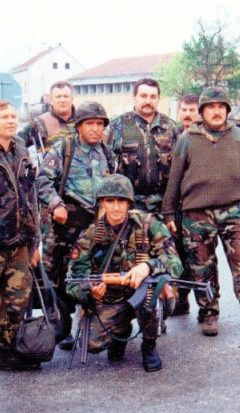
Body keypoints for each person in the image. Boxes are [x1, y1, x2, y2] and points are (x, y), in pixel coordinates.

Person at [162, 86, 240, 340]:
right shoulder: (186, 140)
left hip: (234, 212)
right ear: (202, 112)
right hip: (196, 215)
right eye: (211, 107)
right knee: (201, 268)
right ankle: (209, 313)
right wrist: (168, 213)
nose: (216, 111)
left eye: (221, 107)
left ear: (227, 110)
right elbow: (174, 179)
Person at [67, 174, 183, 371]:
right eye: (110, 201)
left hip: (145, 293)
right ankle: (121, 330)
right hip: (111, 299)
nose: (115, 207)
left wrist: (148, 266)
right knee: (91, 343)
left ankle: (149, 344)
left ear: (129, 203)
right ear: (102, 203)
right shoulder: (91, 235)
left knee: (150, 294)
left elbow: (175, 263)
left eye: (121, 201)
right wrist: (90, 292)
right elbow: (74, 281)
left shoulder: (148, 224)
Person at [37, 101, 115, 350]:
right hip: (65, 224)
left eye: (100, 124)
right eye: (90, 123)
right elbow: (42, 181)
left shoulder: (106, 151)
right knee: (58, 276)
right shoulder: (64, 148)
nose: (96, 128)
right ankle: (63, 326)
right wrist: (56, 204)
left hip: (94, 225)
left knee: (92, 271)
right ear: (79, 126)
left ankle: (90, 324)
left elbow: (114, 183)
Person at [0, 100, 40, 370]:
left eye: (14, 116)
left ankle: (8, 349)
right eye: (5, 117)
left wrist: (36, 240)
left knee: (17, 299)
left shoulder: (22, 150)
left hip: (20, 241)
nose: (11, 121)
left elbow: (32, 196)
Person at [105, 78, 178, 213]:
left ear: (158, 99)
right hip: (128, 204)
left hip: (163, 204)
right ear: (134, 98)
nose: (148, 101)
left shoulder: (170, 127)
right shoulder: (117, 125)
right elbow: (106, 164)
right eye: (143, 96)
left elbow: (179, 166)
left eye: (153, 97)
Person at [171, 94, 200, 316]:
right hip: (175, 203)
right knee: (176, 251)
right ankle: (181, 298)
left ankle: (206, 305)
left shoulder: (203, 136)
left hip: (196, 204)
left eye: (192, 110)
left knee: (197, 255)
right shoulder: (170, 134)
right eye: (184, 110)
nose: (188, 114)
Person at [19, 80, 76, 162]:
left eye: (66, 96)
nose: (62, 100)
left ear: (72, 98)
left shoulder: (83, 121)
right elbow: (15, 144)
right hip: (50, 169)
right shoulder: (39, 123)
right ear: (51, 100)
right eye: (58, 97)